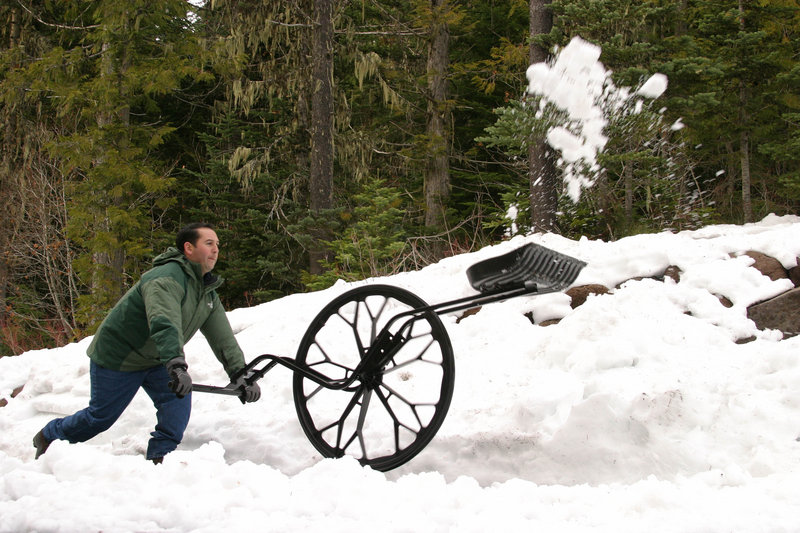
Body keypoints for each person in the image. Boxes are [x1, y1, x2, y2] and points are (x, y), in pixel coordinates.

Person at [32, 222, 260, 463]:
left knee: (176, 406)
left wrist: (241, 374)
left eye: (217, 245)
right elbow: (164, 323)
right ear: (188, 248)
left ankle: (159, 458)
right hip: (120, 356)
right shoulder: (165, 278)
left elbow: (222, 337)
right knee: (100, 418)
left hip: (156, 358)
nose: (215, 250)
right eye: (208, 243)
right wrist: (176, 364)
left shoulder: (205, 291)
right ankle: (49, 435)